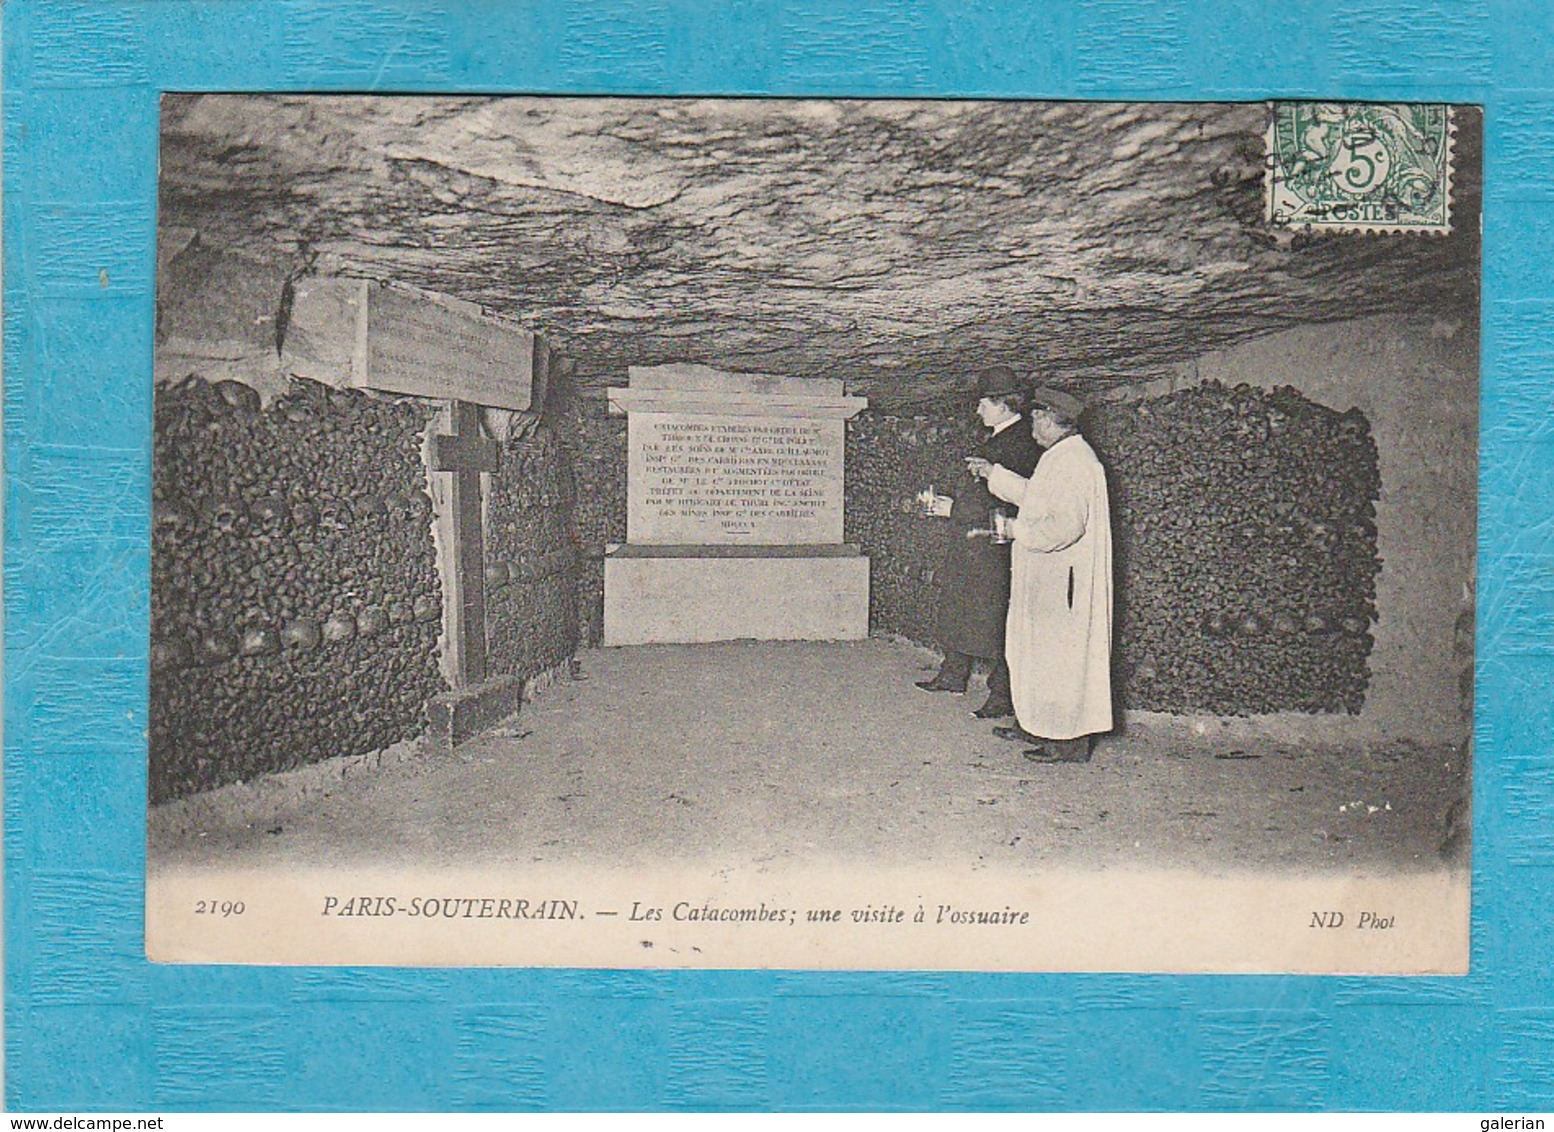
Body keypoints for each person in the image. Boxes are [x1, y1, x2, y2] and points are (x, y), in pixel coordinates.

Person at [967, 386, 1112, 763]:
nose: (1031, 423)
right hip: (1046, 579)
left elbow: (1065, 526)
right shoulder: (1061, 456)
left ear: (1049, 419)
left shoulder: (1077, 462)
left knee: (1060, 661)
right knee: (1035, 654)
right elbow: (1039, 497)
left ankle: (1067, 743)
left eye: (1035, 417)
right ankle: (1036, 724)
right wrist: (994, 474)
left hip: (1063, 584)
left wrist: (1014, 530)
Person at [914, 365, 1043, 718]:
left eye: (983, 404)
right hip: (973, 540)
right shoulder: (997, 437)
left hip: (994, 544)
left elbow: (1011, 497)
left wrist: (956, 508)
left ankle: (1002, 695)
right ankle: (954, 673)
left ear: (1003, 404)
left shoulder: (1021, 443)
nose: (977, 411)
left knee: (997, 615)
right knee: (959, 604)